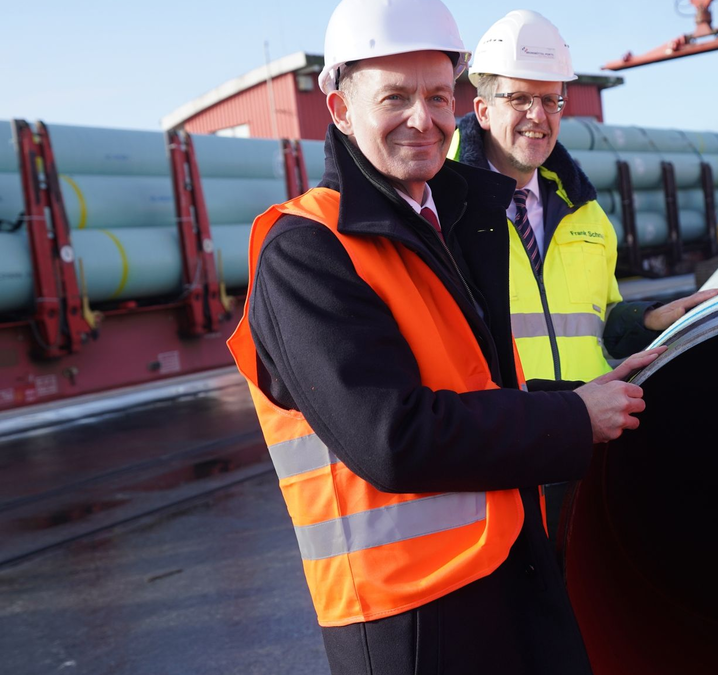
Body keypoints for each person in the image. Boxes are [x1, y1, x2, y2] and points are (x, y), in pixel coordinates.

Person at [225, 1, 660, 673]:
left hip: (501, 574)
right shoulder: (306, 249)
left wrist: (580, 396)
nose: (424, 119)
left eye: (435, 95)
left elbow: (470, 386)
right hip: (408, 618)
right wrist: (571, 418)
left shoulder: (448, 220)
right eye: (394, 97)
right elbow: (391, 435)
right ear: (339, 109)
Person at [452, 9, 718, 384]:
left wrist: (647, 319)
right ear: (483, 111)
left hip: (589, 431)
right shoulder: (444, 211)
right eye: (519, 99)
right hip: (503, 436)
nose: (538, 115)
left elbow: (599, 323)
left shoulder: (587, 214)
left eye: (551, 100)